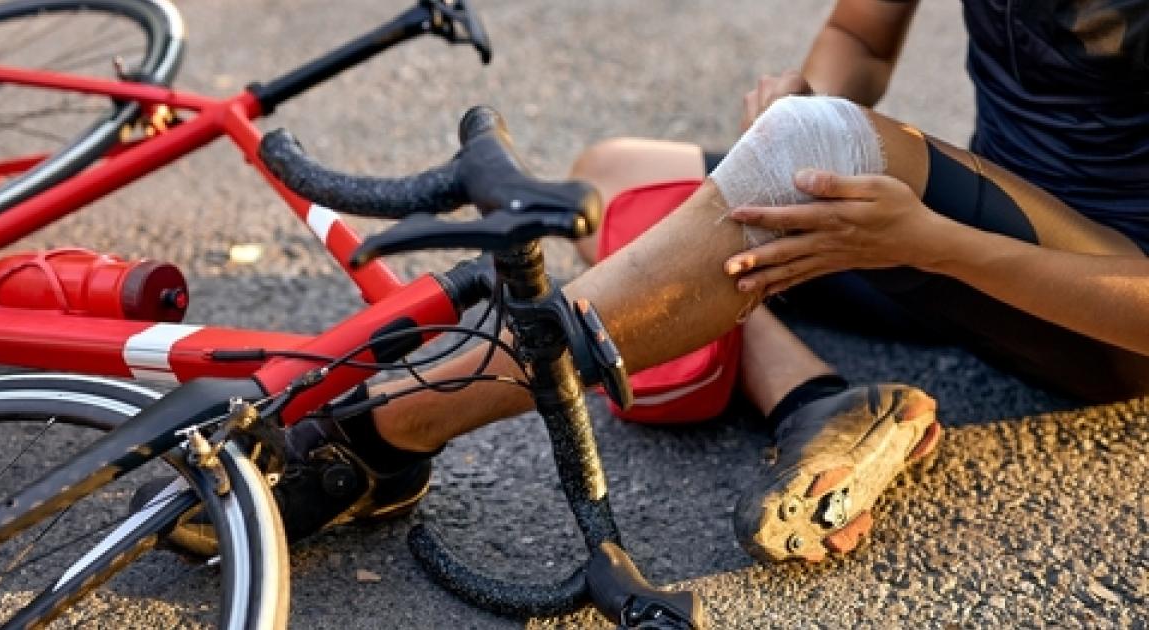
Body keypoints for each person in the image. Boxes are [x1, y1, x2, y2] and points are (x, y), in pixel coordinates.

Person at [159, 0, 1149, 563]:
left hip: (1097, 314)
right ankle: (821, 399)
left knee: (788, 160)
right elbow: (861, 37)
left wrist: (936, 243)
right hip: (952, 239)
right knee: (617, 172)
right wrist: (807, 107)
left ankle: (384, 433)